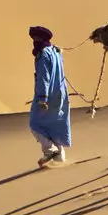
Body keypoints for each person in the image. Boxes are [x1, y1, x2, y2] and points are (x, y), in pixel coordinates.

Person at [28, 25, 71, 167]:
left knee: (35, 124)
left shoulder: (43, 54)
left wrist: (42, 98)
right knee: (54, 124)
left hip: (49, 95)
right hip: (60, 93)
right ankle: (60, 157)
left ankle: (49, 150)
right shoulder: (56, 51)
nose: (34, 40)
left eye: (36, 38)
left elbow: (43, 77)